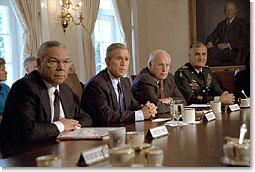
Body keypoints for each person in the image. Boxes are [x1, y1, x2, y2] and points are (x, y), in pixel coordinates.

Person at [0, 40, 92, 147]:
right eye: (53, 62)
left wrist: (70, 127)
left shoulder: (64, 89)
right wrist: (61, 126)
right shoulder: (25, 87)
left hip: (60, 146)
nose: (61, 68)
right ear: (39, 64)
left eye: (65, 62)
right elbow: (27, 131)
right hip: (24, 154)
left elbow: (86, 119)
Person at [80, 43, 157, 126]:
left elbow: (132, 105)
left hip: (122, 128)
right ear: (107, 62)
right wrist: (140, 114)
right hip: (103, 132)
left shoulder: (124, 81)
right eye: (119, 59)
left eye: (126, 59)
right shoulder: (96, 84)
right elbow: (106, 116)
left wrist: (147, 108)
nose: (123, 64)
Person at [131, 50, 186, 114]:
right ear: (150, 65)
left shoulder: (169, 77)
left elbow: (183, 102)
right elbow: (157, 108)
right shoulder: (144, 79)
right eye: (160, 65)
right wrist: (173, 104)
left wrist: (169, 99)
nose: (164, 70)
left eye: (167, 65)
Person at [206, 2, 249, 66]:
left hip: (234, 52)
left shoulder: (242, 23)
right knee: (215, 61)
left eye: (230, 10)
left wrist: (228, 45)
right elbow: (212, 36)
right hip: (221, 51)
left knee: (212, 51)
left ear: (235, 11)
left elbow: (245, 39)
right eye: (226, 10)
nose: (228, 12)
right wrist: (209, 42)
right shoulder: (221, 24)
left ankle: (204, 74)